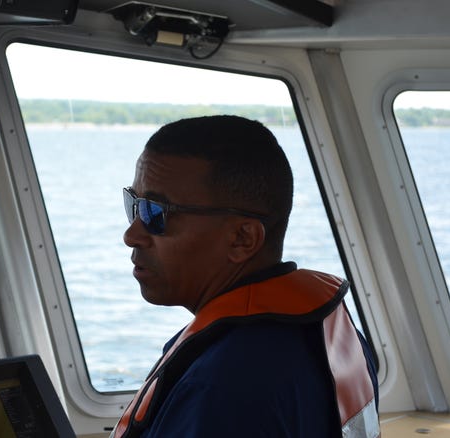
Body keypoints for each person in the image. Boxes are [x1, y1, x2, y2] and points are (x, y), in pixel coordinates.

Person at [111, 115, 380, 438]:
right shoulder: (334, 339)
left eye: (156, 213)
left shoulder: (220, 387)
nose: (132, 234)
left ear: (242, 239)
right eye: (134, 205)